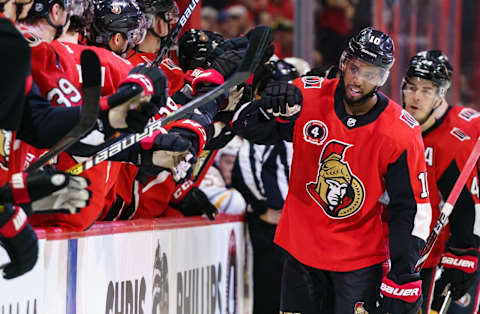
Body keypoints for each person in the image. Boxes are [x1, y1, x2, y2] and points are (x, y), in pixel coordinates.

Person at [231, 27, 432, 313]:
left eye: (371, 74)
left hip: (358, 264)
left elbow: (409, 207)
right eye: (354, 68)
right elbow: (243, 127)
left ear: (383, 78)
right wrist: (266, 108)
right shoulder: (307, 96)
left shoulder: (400, 131)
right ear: (343, 62)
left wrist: (404, 274)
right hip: (300, 254)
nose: (358, 80)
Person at [402, 50, 480, 313]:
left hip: (452, 249)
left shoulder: (458, 135)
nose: (416, 96)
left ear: (440, 95)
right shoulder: (393, 128)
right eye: (412, 87)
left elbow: (468, 204)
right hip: (407, 253)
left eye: (426, 90)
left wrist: (465, 250)